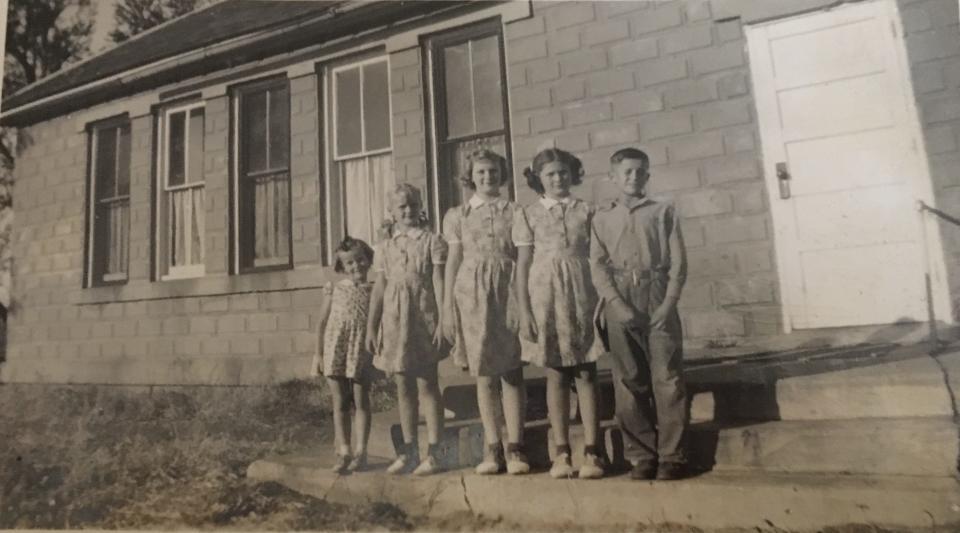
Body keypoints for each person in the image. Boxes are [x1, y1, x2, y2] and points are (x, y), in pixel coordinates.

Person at [590, 147, 689, 481]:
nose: (635, 177)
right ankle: (640, 454)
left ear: (648, 175)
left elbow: (678, 261)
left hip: (657, 293)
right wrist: (616, 304)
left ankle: (671, 455)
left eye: (641, 171)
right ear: (613, 178)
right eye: (627, 172)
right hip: (620, 297)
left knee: (667, 376)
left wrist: (668, 303)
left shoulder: (663, 211)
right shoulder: (602, 217)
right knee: (629, 378)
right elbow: (597, 266)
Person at [514, 148, 605, 479]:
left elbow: (597, 258)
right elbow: (523, 264)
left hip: (582, 293)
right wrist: (524, 309)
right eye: (550, 174)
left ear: (573, 174)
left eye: (563, 172)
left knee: (585, 371)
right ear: (539, 178)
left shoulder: (587, 210)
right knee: (556, 373)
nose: (557, 179)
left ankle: (594, 451)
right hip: (546, 296)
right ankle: (562, 451)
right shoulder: (528, 214)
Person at [442, 148, 529, 476]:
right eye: (481, 172)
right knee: (484, 371)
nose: (487, 177)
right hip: (471, 293)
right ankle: (493, 447)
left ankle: (516, 446)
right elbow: (452, 262)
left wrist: (524, 299)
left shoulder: (516, 211)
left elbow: (523, 259)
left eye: (493, 171)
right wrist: (448, 308)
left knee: (511, 369)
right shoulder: (458, 215)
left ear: (501, 174)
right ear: (471, 177)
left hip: (507, 290)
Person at [365, 184, 447, 476]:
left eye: (413, 204)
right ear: (392, 212)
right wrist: (372, 327)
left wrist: (443, 319)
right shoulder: (385, 248)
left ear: (420, 205)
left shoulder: (431, 241)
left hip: (423, 318)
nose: (408, 210)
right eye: (402, 207)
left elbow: (438, 281)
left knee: (427, 382)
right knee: (402, 384)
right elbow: (380, 288)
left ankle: (436, 451)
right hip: (394, 321)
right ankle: (409, 451)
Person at [312, 236, 376, 474]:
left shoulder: (375, 289)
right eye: (349, 263)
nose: (356, 266)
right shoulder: (334, 289)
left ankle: (362, 451)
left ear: (368, 260)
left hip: (361, 349)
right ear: (342, 267)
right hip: (335, 348)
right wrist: (318, 354)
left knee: (361, 400)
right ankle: (344, 450)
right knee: (340, 401)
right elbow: (321, 323)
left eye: (360, 260)